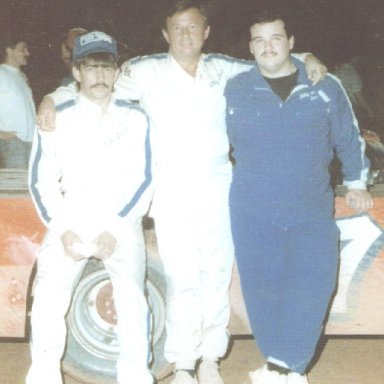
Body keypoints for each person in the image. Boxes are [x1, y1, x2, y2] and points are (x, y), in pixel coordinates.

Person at [36, 2, 327, 383]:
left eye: (193, 27)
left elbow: (271, 61)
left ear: (206, 32)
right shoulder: (143, 71)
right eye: (178, 28)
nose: (186, 35)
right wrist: (50, 98)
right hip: (169, 193)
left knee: (216, 274)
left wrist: (306, 55)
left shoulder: (223, 68)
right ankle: (184, 362)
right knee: (181, 278)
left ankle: (210, 358)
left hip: (219, 189)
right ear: (165, 34)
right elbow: (93, 83)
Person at [224, 9, 373, 384]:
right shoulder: (234, 85)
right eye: (259, 40)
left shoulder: (325, 84)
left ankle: (282, 364)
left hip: (310, 204)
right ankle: (284, 367)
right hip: (252, 207)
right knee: (262, 289)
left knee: (316, 282)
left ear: (292, 43)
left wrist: (357, 183)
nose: (267, 46)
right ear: (250, 47)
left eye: (276, 38)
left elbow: (348, 136)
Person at [26, 31, 153, 384]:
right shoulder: (56, 117)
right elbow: (41, 180)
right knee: (49, 300)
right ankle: (44, 375)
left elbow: (144, 179)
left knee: (132, 300)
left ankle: (135, 376)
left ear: (116, 72)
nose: (99, 75)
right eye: (90, 67)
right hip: (71, 217)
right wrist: (63, 229)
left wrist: (115, 230)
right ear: (77, 72)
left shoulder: (136, 117)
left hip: (121, 219)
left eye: (106, 66)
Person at [0, 31, 35, 168]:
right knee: (17, 186)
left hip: (31, 140)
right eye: (22, 49)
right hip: (13, 141)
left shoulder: (21, 75)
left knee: (30, 185)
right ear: (9, 51)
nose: (27, 53)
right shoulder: (1, 73)